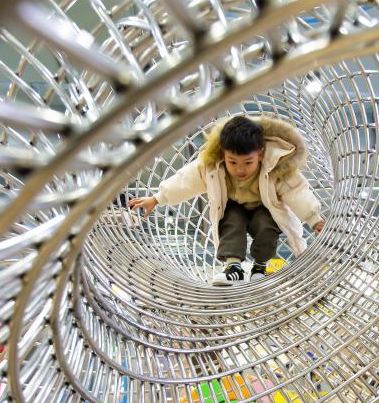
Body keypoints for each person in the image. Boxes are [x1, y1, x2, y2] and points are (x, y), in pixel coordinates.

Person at [129, 115, 325, 284]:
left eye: (248, 162)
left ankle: (260, 266)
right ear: (223, 154)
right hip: (234, 205)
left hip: (264, 206)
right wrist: (157, 198)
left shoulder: (275, 165)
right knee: (231, 223)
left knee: (266, 226)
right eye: (232, 162)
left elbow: (296, 191)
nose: (240, 169)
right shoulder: (212, 166)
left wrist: (314, 218)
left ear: (260, 154)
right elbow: (185, 180)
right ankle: (234, 268)